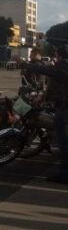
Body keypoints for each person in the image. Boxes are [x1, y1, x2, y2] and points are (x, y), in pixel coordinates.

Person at [20, 44, 68, 184]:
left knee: (64, 144)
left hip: (65, 110)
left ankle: (65, 174)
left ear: (59, 56)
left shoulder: (62, 66)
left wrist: (22, 63)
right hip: (60, 105)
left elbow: (41, 69)